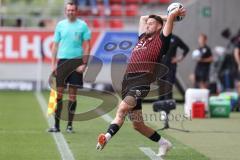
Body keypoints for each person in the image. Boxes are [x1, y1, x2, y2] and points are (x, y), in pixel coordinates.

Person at [96, 7, 186, 157]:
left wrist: (170, 16)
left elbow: (170, 20)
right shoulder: (142, 37)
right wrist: (157, 17)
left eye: (151, 23)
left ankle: (106, 137)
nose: (147, 25)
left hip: (142, 80)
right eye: (148, 24)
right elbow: (143, 17)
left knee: (122, 108)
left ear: (159, 26)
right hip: (127, 81)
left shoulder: (162, 39)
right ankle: (164, 143)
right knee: (138, 125)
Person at [48, 2, 91, 133]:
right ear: (65, 11)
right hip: (62, 62)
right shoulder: (60, 25)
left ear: (76, 11)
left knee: (72, 96)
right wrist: (53, 63)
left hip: (76, 63)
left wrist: (84, 63)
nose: (70, 12)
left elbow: (88, 45)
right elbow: (55, 45)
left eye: (72, 10)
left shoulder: (83, 25)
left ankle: (70, 126)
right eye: (68, 10)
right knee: (58, 94)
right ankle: (56, 125)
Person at [159, 34, 189, 100]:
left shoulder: (175, 38)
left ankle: (168, 105)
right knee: (161, 85)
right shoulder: (159, 37)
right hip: (161, 65)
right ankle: (160, 103)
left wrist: (179, 58)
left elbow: (186, 49)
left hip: (171, 66)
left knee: (168, 85)